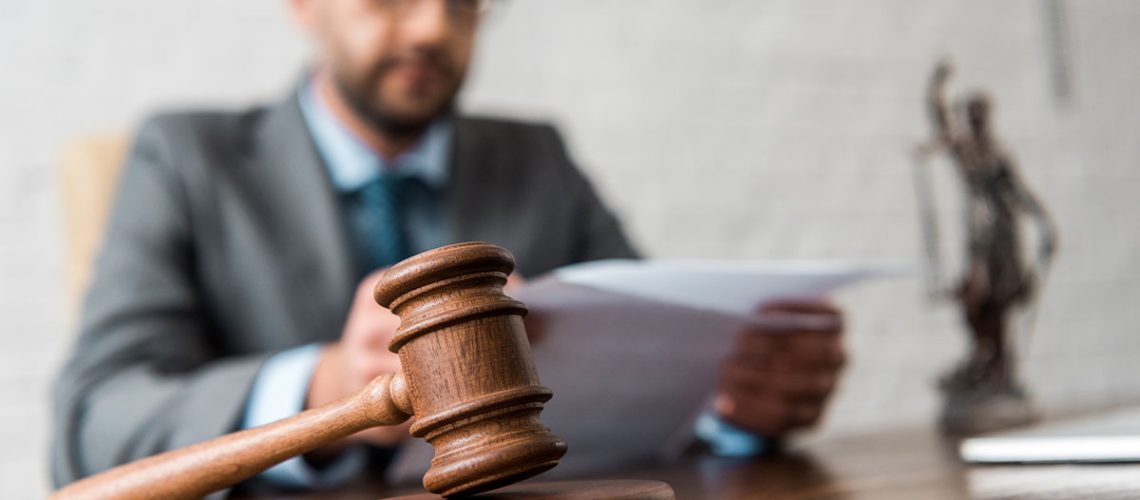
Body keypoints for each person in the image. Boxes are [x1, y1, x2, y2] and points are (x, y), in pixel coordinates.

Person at [52, 0, 846, 491]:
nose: (434, 24)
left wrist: (732, 403)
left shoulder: (538, 159)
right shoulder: (186, 160)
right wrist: (327, 386)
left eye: (465, 1)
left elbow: (652, 352)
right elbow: (91, 426)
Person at [920, 60, 1058, 431]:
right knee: (974, 298)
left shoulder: (998, 152)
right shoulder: (965, 150)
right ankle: (982, 356)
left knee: (1001, 304)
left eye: (978, 112)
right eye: (969, 113)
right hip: (978, 239)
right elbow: (938, 121)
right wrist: (936, 87)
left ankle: (999, 368)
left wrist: (1045, 222)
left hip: (1004, 235)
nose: (974, 119)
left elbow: (1020, 192)